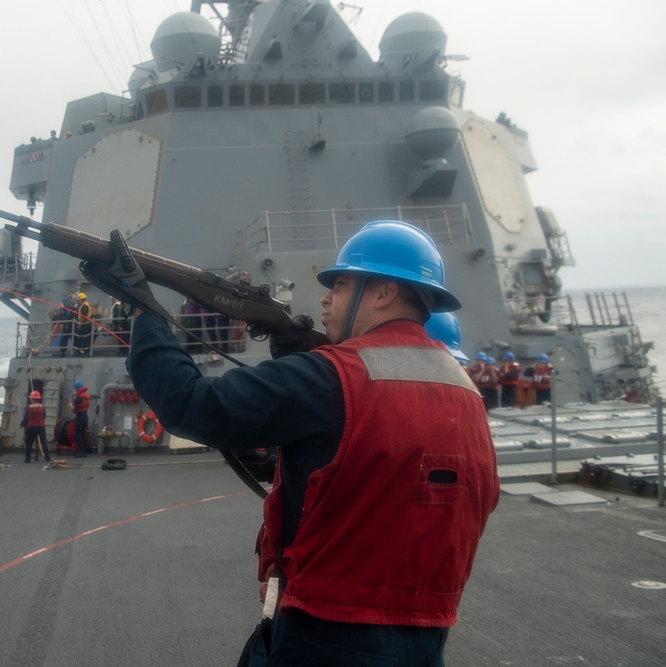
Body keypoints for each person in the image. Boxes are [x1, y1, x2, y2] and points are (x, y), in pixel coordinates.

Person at [90, 220, 499, 666]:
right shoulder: (464, 388)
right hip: (424, 639)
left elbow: (192, 405)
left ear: (383, 293)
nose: (325, 296)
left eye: (341, 284)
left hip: (326, 636)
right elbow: (364, 459)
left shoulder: (331, 375)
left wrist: (143, 310)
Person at [21, 390, 52, 464]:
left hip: (31, 427)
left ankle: (27, 459)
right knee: (44, 442)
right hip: (41, 427)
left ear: (33, 399)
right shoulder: (42, 406)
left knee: (29, 443)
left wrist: (22, 425)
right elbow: (44, 416)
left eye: (31, 398)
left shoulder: (29, 407)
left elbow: (26, 418)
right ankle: (47, 458)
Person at [69, 380, 90, 457]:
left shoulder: (79, 398)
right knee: (82, 433)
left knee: (78, 434)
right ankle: (83, 449)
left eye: (76, 389)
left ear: (78, 389)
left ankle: (82, 451)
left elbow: (73, 408)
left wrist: (70, 405)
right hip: (85, 416)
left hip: (80, 417)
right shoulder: (86, 396)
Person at [72, 292, 93, 356]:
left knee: (83, 337)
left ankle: (84, 350)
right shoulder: (84, 305)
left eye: (79, 300)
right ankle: (83, 349)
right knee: (83, 337)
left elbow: (83, 316)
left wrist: (80, 324)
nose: (78, 301)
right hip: (85, 324)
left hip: (85, 324)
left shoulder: (84, 306)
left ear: (82, 299)